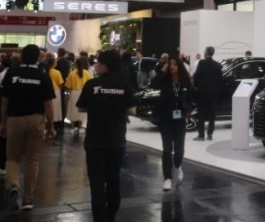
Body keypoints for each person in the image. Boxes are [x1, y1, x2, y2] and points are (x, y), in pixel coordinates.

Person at [77, 50, 137, 222]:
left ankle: (99, 217)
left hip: (94, 141)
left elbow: (81, 107)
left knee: (96, 181)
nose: (96, 66)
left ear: (105, 66)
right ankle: (111, 213)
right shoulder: (125, 85)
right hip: (116, 140)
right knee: (113, 177)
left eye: (99, 63)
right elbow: (132, 110)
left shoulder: (92, 84)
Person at [0, 44, 56, 210]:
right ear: (38, 58)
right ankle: (28, 200)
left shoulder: (12, 73)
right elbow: (48, 105)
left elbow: (4, 102)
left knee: (12, 157)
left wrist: (3, 122)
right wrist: (50, 126)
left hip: (14, 119)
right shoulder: (43, 76)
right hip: (36, 120)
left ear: (22, 56)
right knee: (33, 159)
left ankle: (14, 185)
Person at [151, 56, 193, 191]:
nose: (172, 66)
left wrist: (188, 110)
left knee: (179, 150)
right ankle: (167, 178)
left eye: (175, 64)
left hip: (180, 118)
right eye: (170, 64)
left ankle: (178, 165)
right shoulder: (164, 79)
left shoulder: (185, 81)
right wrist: (162, 71)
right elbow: (153, 85)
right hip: (166, 118)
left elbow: (190, 97)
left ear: (179, 66)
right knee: (167, 149)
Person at [0, 53, 20, 175]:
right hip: (18, 112)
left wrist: (2, 121)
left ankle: (3, 166)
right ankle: (14, 166)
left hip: (7, 110)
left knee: (4, 139)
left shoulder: (4, 74)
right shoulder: (20, 74)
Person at [192, 46, 222, 141]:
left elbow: (196, 76)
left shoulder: (201, 63)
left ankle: (201, 136)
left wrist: (196, 86)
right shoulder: (218, 65)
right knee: (212, 115)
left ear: (205, 52)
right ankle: (210, 134)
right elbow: (220, 80)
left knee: (201, 114)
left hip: (202, 93)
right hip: (213, 94)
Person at [66, 58, 91, 137]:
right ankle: (80, 128)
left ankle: (72, 128)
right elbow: (89, 85)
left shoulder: (72, 73)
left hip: (74, 93)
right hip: (83, 93)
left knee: (73, 110)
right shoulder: (87, 73)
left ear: (76, 64)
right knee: (81, 111)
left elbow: (68, 86)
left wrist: (68, 94)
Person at [45, 54, 64, 132]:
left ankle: (46, 127)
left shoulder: (44, 71)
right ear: (53, 63)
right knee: (54, 109)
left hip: (46, 91)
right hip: (56, 92)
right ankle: (52, 127)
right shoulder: (57, 72)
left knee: (46, 108)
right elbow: (60, 84)